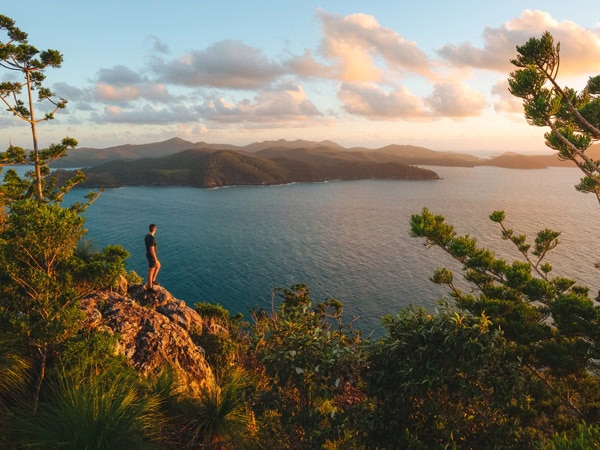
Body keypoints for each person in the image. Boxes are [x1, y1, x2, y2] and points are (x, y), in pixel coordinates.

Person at [145, 223, 161, 290]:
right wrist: (155, 259)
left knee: (158, 265)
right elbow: (152, 250)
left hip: (149, 255)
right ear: (155, 229)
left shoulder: (147, 236)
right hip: (152, 256)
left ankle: (153, 280)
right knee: (151, 271)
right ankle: (150, 287)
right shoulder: (152, 239)